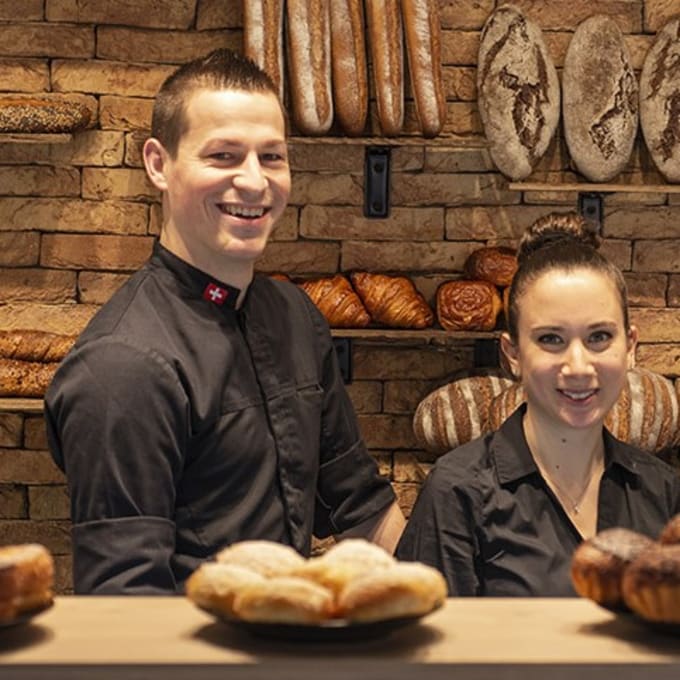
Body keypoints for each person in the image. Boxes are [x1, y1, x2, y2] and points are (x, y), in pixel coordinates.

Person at [44, 49, 404, 595]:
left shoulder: (296, 318)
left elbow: (363, 507)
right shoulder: (120, 367)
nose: (255, 182)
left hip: (290, 645)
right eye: (224, 156)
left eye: (272, 156)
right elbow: (125, 600)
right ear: (158, 164)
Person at [396, 212, 680, 596]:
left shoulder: (661, 490)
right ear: (513, 353)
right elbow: (423, 649)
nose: (578, 367)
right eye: (550, 339)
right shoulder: (458, 493)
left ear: (630, 347)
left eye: (599, 337)